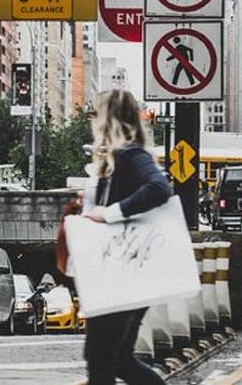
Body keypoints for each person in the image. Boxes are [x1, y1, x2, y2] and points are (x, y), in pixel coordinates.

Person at [81, 89, 172, 385]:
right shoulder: (117, 158)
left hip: (122, 275)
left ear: (107, 119)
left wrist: (109, 213)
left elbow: (160, 188)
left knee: (101, 361)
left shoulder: (130, 154)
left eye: (96, 114)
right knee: (116, 359)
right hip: (123, 273)